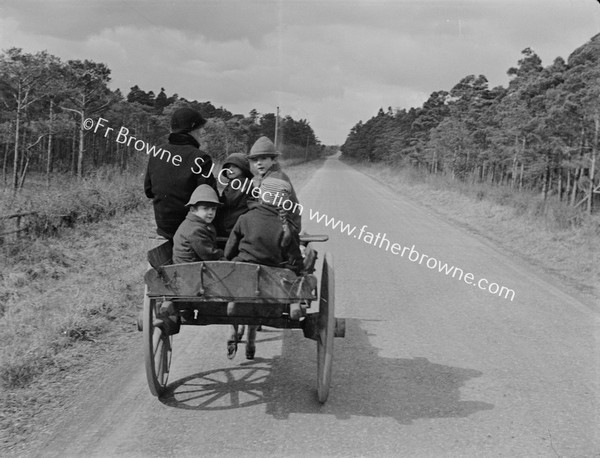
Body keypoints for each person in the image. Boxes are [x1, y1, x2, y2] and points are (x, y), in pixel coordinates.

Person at [223, 176, 304, 360]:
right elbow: (295, 259)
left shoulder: (245, 218)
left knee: (241, 279)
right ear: (284, 201)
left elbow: (229, 251)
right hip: (270, 280)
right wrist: (297, 271)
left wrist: (227, 259)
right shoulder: (287, 226)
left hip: (242, 274)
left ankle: (234, 330)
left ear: (260, 195)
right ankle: (251, 341)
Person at [144, 107, 217, 240]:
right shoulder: (201, 158)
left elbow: (148, 191)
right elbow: (210, 198)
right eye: (200, 128)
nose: (202, 132)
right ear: (192, 129)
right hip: (190, 229)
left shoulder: (156, 152)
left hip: (164, 228)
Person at [172, 185, 224, 264]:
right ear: (193, 210)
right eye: (205, 208)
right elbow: (209, 255)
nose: (210, 213)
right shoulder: (195, 230)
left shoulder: (195, 223)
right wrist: (224, 253)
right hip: (188, 270)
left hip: (193, 265)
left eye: (213, 209)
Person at [214, 153, 255, 237]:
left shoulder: (240, 182)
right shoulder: (239, 182)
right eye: (228, 167)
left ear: (243, 168)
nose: (230, 169)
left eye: (235, 166)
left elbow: (227, 201)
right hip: (235, 225)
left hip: (231, 227)